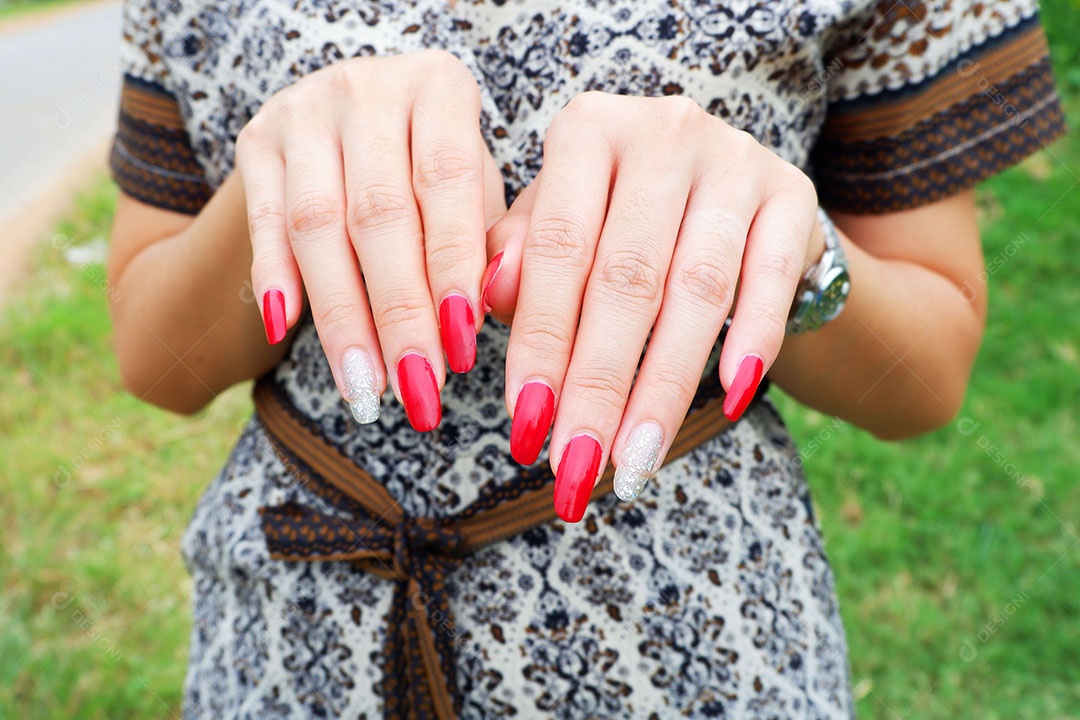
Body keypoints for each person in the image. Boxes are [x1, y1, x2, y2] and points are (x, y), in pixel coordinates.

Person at [105, 0, 1064, 716]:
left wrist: (792, 252)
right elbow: (156, 362)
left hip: (698, 648)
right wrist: (276, 192)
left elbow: (928, 376)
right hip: (294, 645)